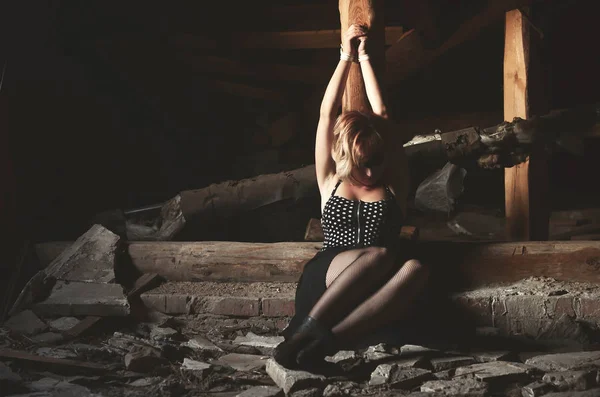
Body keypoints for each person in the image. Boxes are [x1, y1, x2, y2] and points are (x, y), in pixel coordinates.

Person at [273, 25, 430, 370]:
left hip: (372, 292)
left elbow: (384, 115)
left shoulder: (392, 187)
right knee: (379, 254)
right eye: (364, 164)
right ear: (348, 159)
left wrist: (368, 58)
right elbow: (326, 115)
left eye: (377, 161)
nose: (372, 171)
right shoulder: (330, 180)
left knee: (414, 268)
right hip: (327, 282)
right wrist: (347, 56)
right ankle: (302, 332)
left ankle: (320, 346)